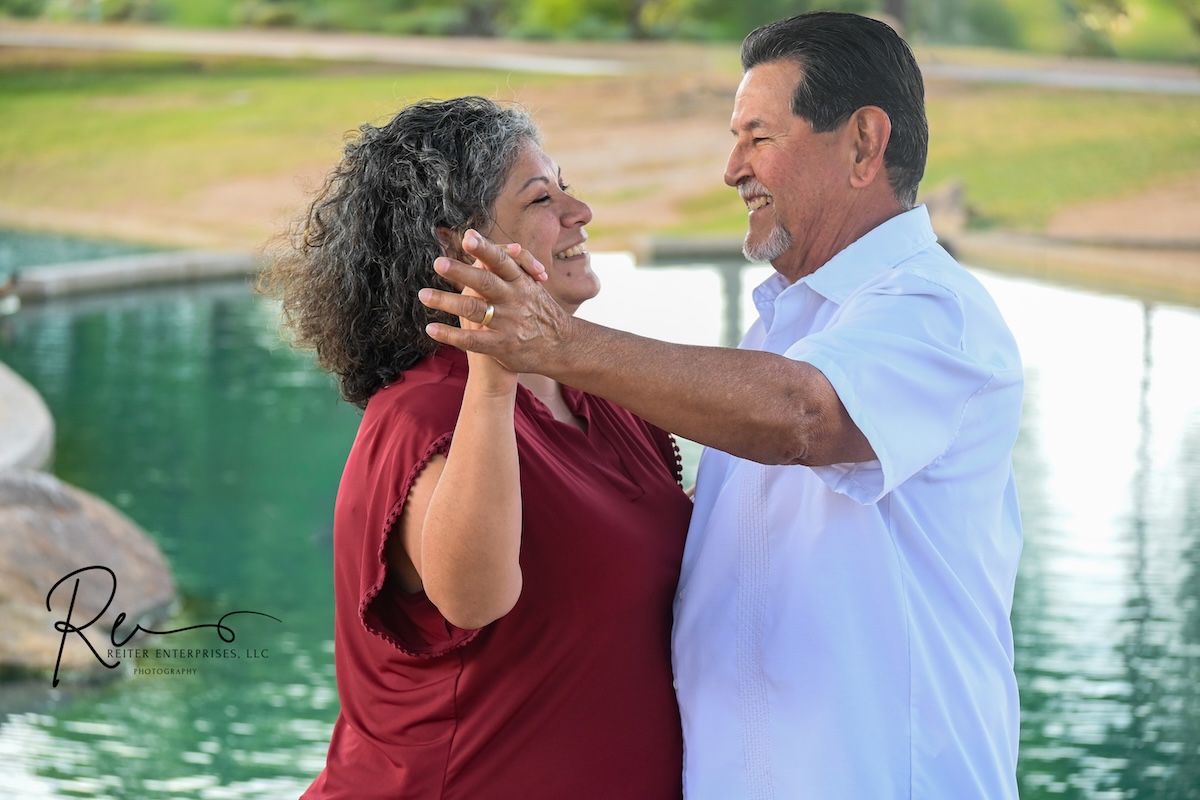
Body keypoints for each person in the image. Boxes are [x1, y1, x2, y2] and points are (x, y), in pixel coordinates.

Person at [419, 12, 1024, 800]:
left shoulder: (934, 310)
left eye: (758, 136)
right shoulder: (783, 326)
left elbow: (803, 418)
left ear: (864, 145)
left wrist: (555, 342)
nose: (731, 167)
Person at [259, 96, 692, 799]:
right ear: (463, 247)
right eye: (543, 198)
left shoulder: (603, 398)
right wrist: (491, 376)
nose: (580, 212)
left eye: (566, 188)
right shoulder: (424, 414)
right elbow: (472, 597)